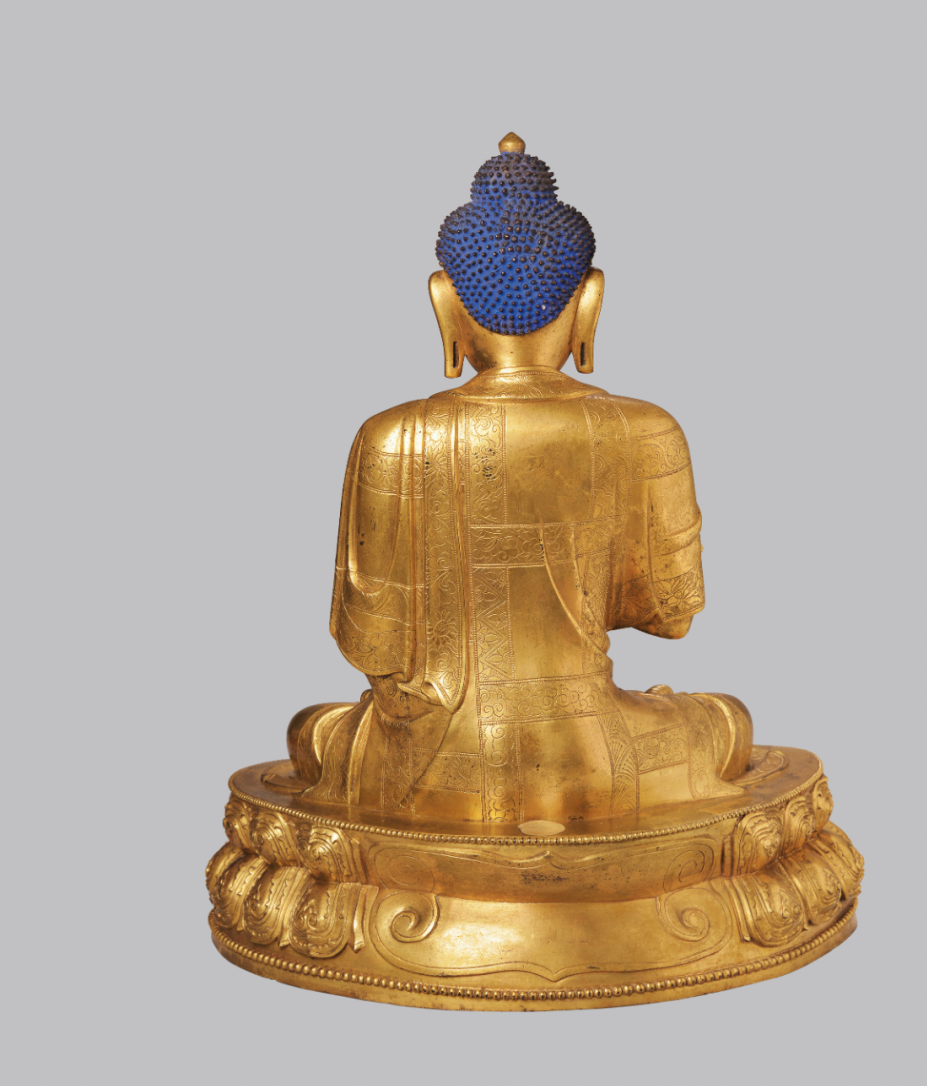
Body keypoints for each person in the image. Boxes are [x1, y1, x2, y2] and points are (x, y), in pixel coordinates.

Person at [286, 135, 752, 824]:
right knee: (727, 722)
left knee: (313, 734)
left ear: (444, 303)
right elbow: (672, 614)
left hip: (429, 758)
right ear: (590, 302)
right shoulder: (647, 430)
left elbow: (372, 646)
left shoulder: (394, 437)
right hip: (601, 752)